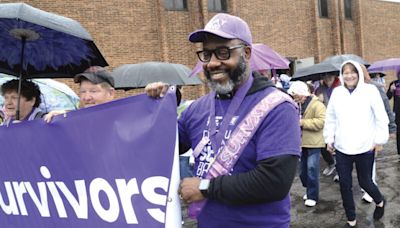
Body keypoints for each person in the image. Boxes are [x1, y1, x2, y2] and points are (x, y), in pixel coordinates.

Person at [146, 13, 301, 227]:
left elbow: (275, 181)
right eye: (206, 54)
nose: (212, 63)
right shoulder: (198, 108)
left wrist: (204, 188)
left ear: (246, 53)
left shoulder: (278, 107)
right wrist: (159, 107)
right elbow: (164, 146)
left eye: (223, 52)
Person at [323, 60, 388, 227]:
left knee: (365, 182)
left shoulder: (370, 91)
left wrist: (379, 140)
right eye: (346, 72)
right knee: (345, 185)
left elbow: (381, 117)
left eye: (353, 71)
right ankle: (351, 220)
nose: (349, 75)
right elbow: (330, 118)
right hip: (342, 148)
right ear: (341, 75)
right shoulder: (337, 93)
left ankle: (380, 201)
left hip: (365, 146)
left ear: (359, 73)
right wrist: (329, 139)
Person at [359, 64, 396, 203]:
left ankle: (370, 187)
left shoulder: (374, 88)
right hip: (357, 133)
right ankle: (367, 185)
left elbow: (386, 108)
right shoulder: (348, 91)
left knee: (370, 161)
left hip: (372, 130)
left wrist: (391, 128)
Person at [288, 81, 326, 207]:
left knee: (312, 169)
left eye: (296, 95)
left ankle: (312, 195)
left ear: (302, 94)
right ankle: (309, 189)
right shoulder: (296, 105)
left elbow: (321, 122)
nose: (294, 97)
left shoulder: (318, 105)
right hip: (301, 143)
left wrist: (303, 122)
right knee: (302, 171)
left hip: (314, 143)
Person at [44, 66, 115, 122]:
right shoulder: (74, 121)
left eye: (93, 91)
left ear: (110, 93)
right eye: (83, 91)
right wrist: (63, 119)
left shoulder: (123, 120)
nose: (87, 97)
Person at [315, 74, 341, 180]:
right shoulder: (320, 89)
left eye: (330, 76)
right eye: (325, 77)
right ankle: (331, 163)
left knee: (338, 146)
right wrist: (318, 100)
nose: (327, 79)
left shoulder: (341, 87)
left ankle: (340, 171)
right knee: (323, 145)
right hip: (324, 120)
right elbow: (314, 104)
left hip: (339, 121)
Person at [386, 70, 400, 158]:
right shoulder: (394, 83)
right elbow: (388, 96)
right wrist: (391, 90)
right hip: (398, 111)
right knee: (399, 132)